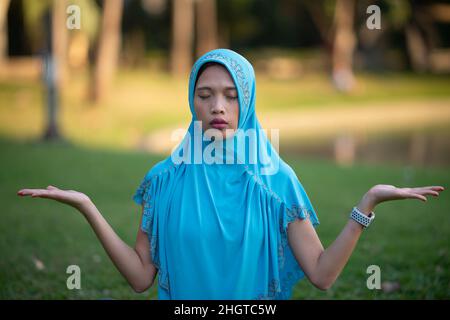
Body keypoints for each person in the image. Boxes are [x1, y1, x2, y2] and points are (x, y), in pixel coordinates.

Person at [17, 49, 444, 300]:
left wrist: (366, 204)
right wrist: (88, 207)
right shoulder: (163, 180)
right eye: (205, 95)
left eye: (230, 95)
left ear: (248, 102)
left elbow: (322, 274)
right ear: (192, 103)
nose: (218, 106)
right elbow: (141, 278)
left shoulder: (276, 180)